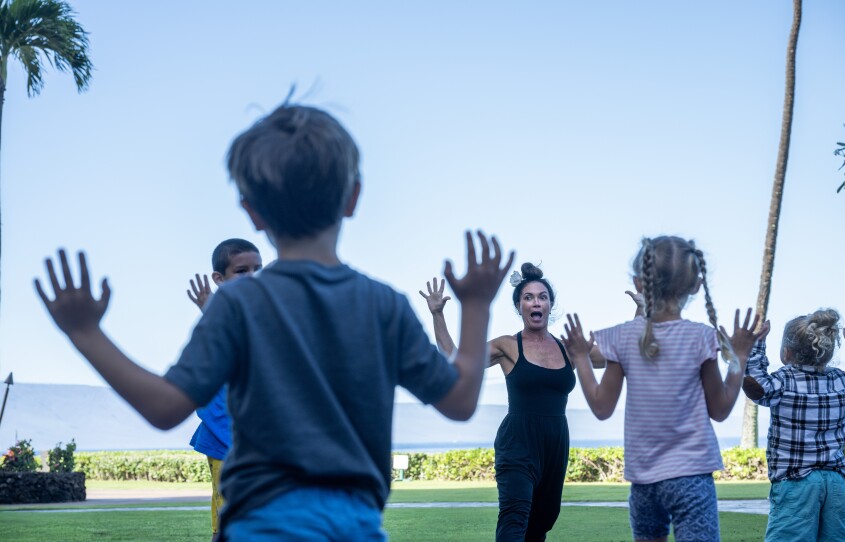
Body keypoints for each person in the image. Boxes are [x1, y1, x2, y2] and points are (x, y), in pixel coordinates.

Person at [35, 103, 513, 540]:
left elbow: (165, 408)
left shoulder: (238, 304)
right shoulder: (383, 305)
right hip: (356, 528)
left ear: (253, 211)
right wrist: (475, 304)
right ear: (352, 198)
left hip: (257, 527)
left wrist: (85, 332)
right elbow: (459, 399)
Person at [560, 235, 763, 542]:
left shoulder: (622, 338)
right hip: (692, 476)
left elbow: (601, 408)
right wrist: (741, 355)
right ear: (695, 285)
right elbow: (720, 411)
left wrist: (579, 356)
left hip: (644, 482)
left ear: (639, 284)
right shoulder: (701, 338)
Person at [422, 262, 592, 541]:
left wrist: (642, 311)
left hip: (555, 444)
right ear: (519, 306)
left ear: (550, 305)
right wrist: (438, 314)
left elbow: (619, 355)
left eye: (542, 297)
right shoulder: (508, 346)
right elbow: (456, 357)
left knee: (541, 524)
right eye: (528, 297)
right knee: (515, 519)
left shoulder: (569, 350)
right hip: (518, 443)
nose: (536, 302)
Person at [744, 310, 845, 542]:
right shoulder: (840, 380)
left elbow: (755, 385)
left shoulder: (783, 380)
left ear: (787, 352)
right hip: (834, 482)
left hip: (796, 482)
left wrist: (756, 344)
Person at [186, 238, 262, 538]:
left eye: (259, 268)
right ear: (219, 279)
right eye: (242, 271)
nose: (253, 277)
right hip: (227, 441)